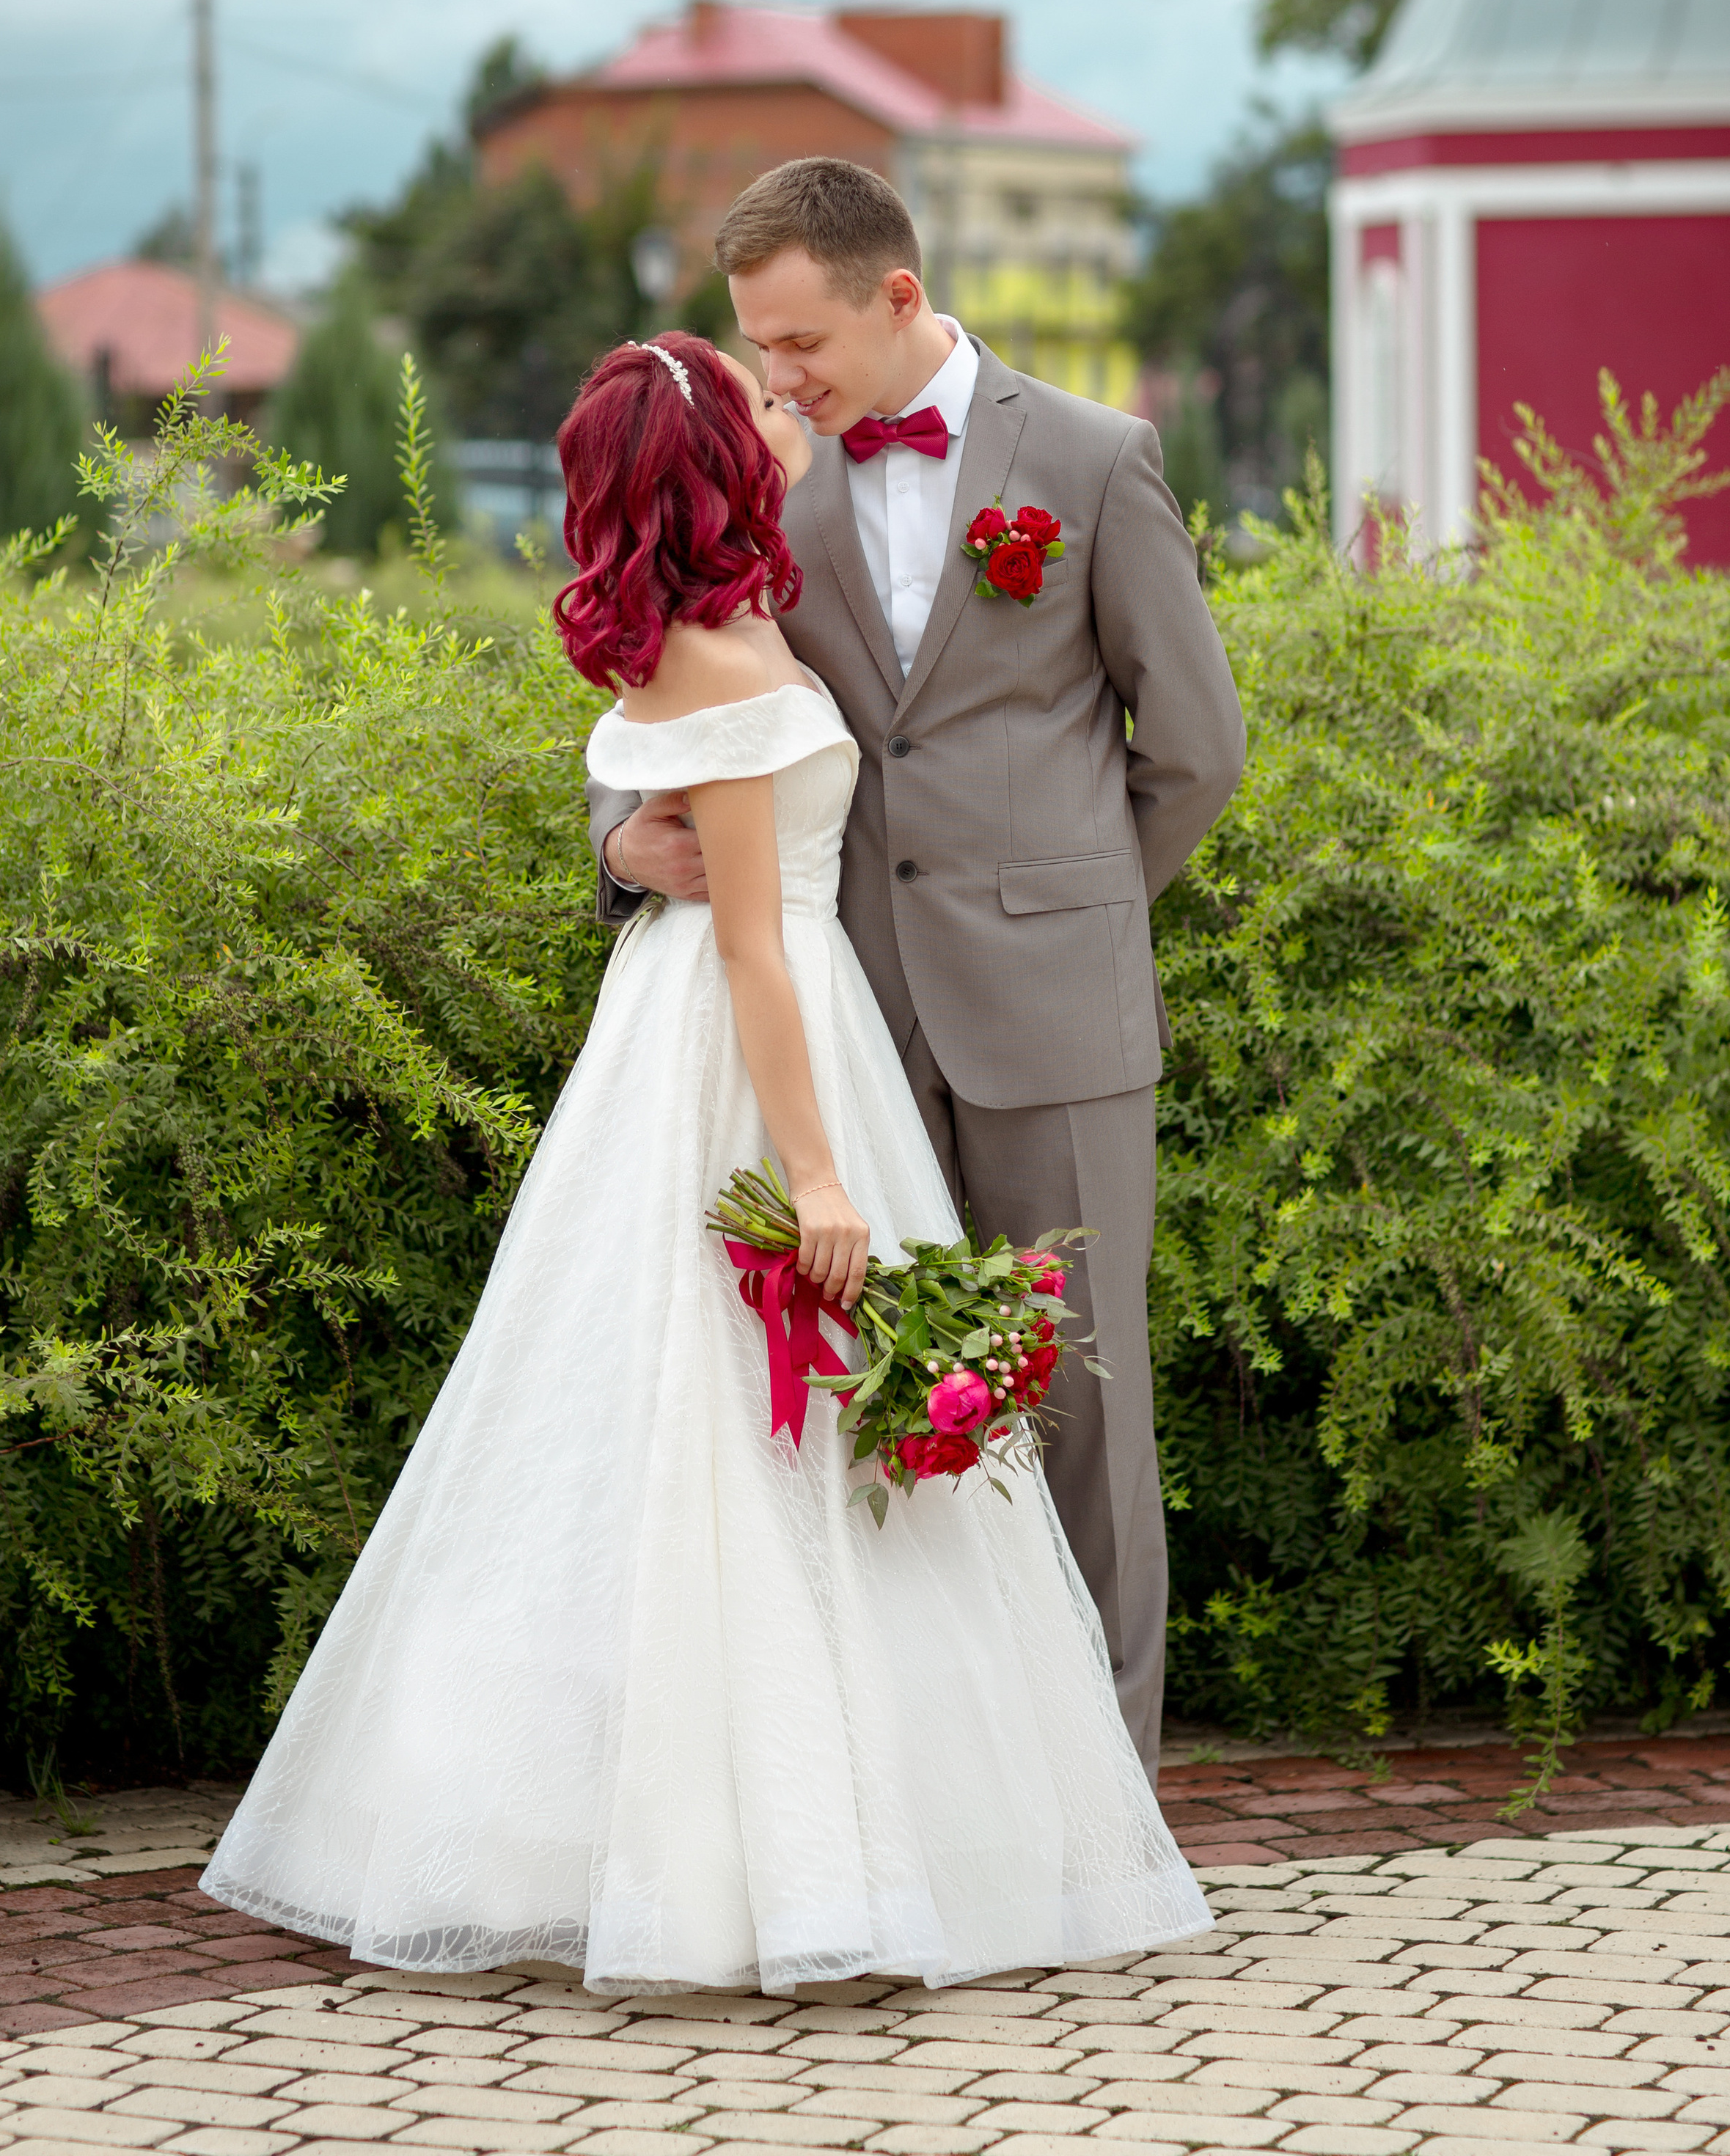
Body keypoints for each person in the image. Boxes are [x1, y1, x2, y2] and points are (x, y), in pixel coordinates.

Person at [202, 331, 1209, 1996]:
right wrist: (818, 1178)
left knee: (699, 1428)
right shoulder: (735, 665)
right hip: (777, 1042)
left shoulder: (693, 630)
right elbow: (747, 935)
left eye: (783, 354)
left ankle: (785, 1828)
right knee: (761, 1439)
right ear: (720, 472)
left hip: (763, 1031)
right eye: (754, 391)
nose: (782, 390)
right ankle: (794, 1854)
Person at [590, 160, 1246, 1786]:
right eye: (757, 349)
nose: (778, 382)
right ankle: (933, 1799)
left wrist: (1072, 911)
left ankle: (1105, 1802)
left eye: (799, 343)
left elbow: (1199, 747)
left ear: (896, 297)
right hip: (837, 1028)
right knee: (875, 1413)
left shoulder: (1092, 461)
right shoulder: (775, 483)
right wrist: (621, 847)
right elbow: (666, 685)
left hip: (1053, 1022)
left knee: (1077, 1406)